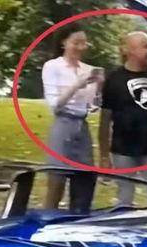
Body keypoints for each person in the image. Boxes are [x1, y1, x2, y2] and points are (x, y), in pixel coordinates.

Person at [99, 32, 147, 208]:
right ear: (130, 50)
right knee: (124, 200)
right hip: (122, 150)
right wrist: (104, 156)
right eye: (146, 47)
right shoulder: (114, 79)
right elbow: (105, 119)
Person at [42, 23, 103, 213]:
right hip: (63, 123)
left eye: (84, 43)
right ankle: (49, 220)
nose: (81, 47)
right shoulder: (53, 66)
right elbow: (55, 104)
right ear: (64, 43)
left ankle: (78, 219)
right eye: (76, 43)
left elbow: (94, 106)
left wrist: (99, 86)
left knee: (85, 179)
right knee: (57, 179)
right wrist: (77, 84)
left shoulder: (87, 69)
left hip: (81, 125)